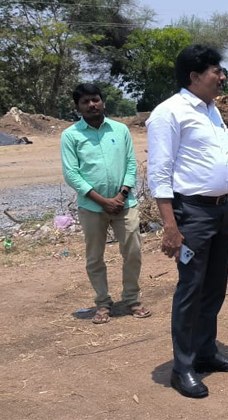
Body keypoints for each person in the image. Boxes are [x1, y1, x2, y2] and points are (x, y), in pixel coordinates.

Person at [147, 45, 228, 399]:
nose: (222, 77)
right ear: (194, 76)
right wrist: (170, 226)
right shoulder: (169, 114)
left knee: (214, 287)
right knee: (190, 289)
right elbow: (159, 173)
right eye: (215, 72)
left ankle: (206, 352)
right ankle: (183, 367)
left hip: (221, 212)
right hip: (192, 214)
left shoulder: (212, 111)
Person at [61, 83, 150, 325]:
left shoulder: (120, 130)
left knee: (133, 251)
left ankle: (131, 298)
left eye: (95, 100)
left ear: (103, 101)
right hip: (92, 206)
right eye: (85, 102)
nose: (92, 105)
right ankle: (102, 302)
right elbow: (72, 174)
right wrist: (102, 201)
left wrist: (121, 196)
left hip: (125, 203)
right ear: (77, 106)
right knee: (94, 256)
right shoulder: (71, 135)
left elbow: (131, 164)